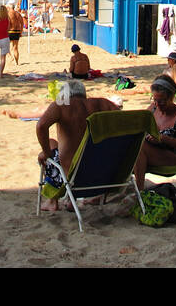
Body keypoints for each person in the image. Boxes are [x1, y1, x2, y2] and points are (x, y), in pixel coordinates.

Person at [36, 80, 121, 210]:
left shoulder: (61, 106)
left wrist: (46, 153)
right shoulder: (104, 104)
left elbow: (41, 126)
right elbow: (124, 123)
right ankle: (71, 199)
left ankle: (52, 201)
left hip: (72, 172)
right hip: (103, 171)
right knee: (67, 145)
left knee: (50, 145)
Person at [132, 75, 176, 190]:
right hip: (153, 151)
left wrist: (163, 139)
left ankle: (139, 191)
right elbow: (138, 126)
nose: (157, 104)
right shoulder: (153, 108)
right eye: (155, 100)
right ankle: (108, 191)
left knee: (139, 148)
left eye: (162, 101)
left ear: (171, 97)